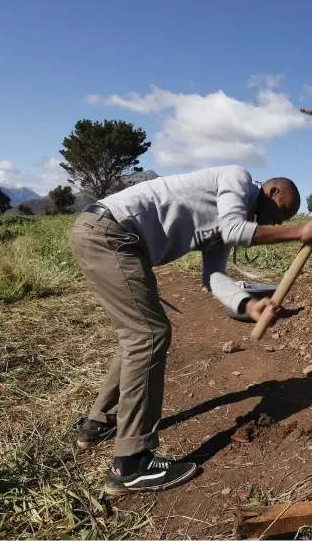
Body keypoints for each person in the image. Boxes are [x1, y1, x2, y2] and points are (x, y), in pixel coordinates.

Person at [69, 165, 312, 496]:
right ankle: (131, 464)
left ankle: (99, 422)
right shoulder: (237, 179)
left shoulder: (226, 217)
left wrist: (247, 305)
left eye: (283, 223)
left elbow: (213, 276)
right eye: (281, 214)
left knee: (137, 334)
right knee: (148, 335)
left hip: (113, 238)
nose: (276, 224)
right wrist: (299, 233)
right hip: (110, 233)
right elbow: (236, 230)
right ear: (272, 192)